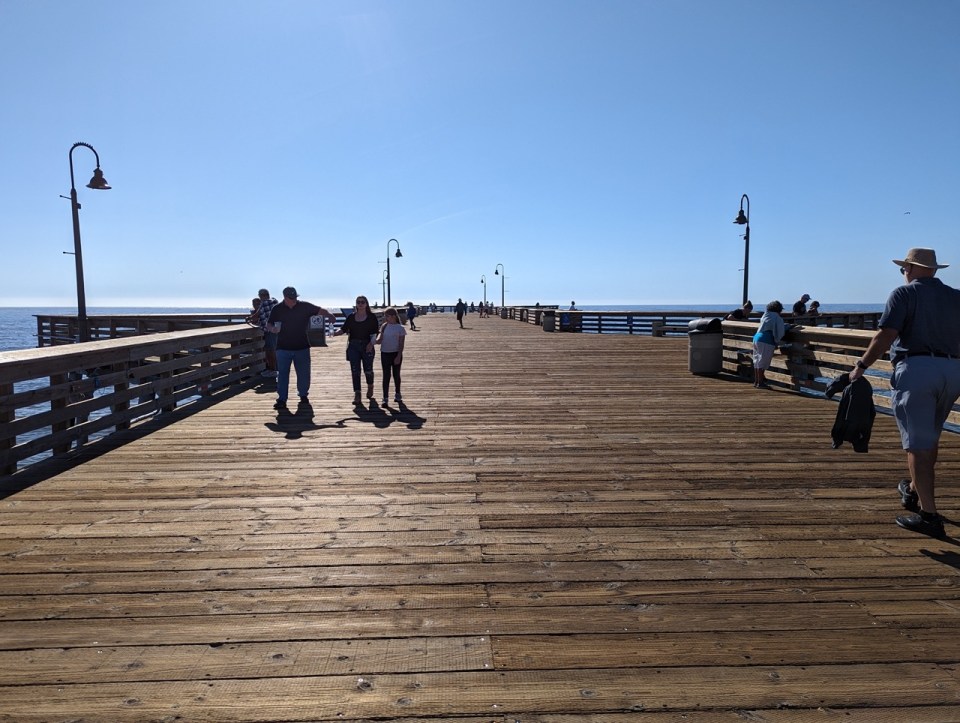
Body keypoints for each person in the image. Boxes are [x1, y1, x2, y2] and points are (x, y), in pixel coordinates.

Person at [849, 248, 960, 538]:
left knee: (918, 445)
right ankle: (912, 489)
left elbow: (885, 335)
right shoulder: (956, 296)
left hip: (918, 369)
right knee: (930, 437)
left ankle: (930, 516)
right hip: (953, 370)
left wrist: (861, 366)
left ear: (909, 268)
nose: (904, 273)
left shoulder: (904, 294)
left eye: (904, 269)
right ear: (934, 270)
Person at [267, 287, 337, 410]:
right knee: (283, 375)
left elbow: (321, 310)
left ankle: (303, 395)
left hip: (302, 347)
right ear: (285, 297)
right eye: (291, 298)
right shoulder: (277, 309)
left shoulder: (304, 306)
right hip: (283, 348)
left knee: (304, 374)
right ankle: (282, 399)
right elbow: (269, 323)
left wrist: (330, 315)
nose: (294, 300)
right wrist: (273, 329)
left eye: (295, 298)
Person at [333, 295, 380, 406]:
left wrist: (371, 344)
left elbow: (375, 333)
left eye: (362, 302)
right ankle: (357, 393)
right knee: (355, 371)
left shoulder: (371, 317)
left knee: (368, 370)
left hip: (367, 345)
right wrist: (334, 332)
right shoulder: (351, 317)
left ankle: (370, 386)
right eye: (358, 302)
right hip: (353, 346)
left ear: (366, 304)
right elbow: (343, 329)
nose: (360, 304)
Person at [375, 306, 406, 405]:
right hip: (385, 353)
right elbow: (380, 339)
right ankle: (385, 397)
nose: (385, 318)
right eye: (385, 316)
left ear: (393, 316)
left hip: (396, 353)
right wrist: (374, 341)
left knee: (396, 375)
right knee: (386, 375)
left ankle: (398, 393)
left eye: (387, 316)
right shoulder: (384, 326)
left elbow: (401, 344)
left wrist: (398, 356)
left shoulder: (400, 328)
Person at [752, 300, 785, 389]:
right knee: (763, 362)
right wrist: (777, 341)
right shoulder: (777, 317)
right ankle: (761, 383)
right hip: (766, 339)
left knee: (757, 361)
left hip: (756, 337)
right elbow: (780, 331)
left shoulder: (765, 315)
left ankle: (756, 381)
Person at [247, 288, 279, 377]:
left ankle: (273, 370)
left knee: (270, 350)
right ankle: (273, 369)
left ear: (262, 296)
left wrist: (249, 318)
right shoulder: (274, 301)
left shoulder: (264, 303)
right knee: (272, 350)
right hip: (276, 329)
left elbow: (257, 314)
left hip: (269, 330)